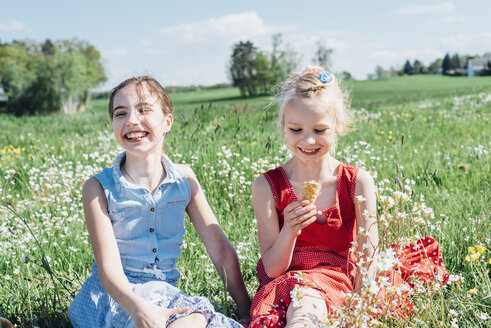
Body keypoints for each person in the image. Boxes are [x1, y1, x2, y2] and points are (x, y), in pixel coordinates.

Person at [248, 67, 448, 328]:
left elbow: (369, 256)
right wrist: (289, 230)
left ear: (338, 126)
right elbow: (273, 269)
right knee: (304, 303)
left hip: (342, 279)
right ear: (283, 127)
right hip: (289, 285)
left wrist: (360, 308)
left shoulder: (356, 182)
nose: (308, 140)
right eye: (296, 129)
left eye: (320, 130)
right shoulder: (267, 186)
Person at [68, 76, 251, 328]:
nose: (132, 120)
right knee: (191, 321)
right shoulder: (98, 187)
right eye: (120, 113)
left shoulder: (184, 179)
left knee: (196, 320)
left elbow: (219, 249)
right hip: (115, 297)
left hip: (162, 294)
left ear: (167, 122)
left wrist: (246, 310)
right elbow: (108, 269)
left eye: (144, 110)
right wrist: (138, 309)